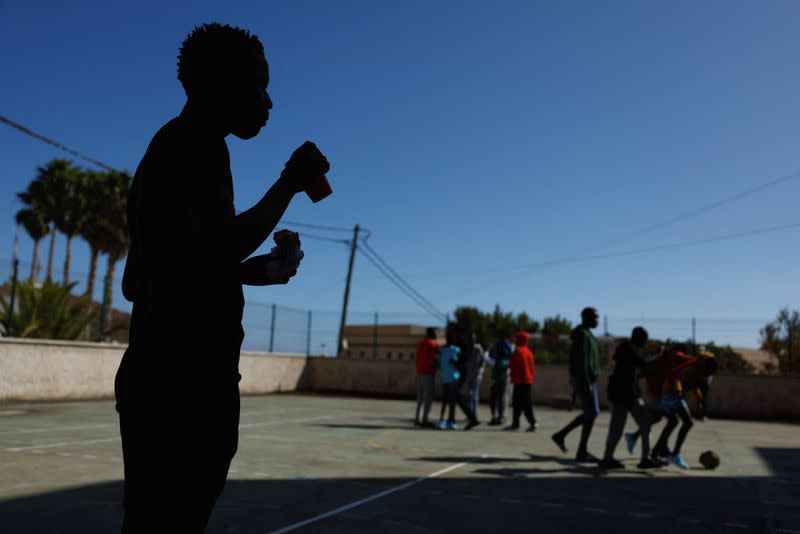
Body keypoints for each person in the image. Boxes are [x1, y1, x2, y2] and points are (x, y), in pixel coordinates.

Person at [115, 23, 330, 532]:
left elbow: (153, 275)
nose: (269, 101)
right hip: (183, 384)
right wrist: (290, 183)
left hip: (165, 376)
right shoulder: (194, 145)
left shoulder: (176, 146)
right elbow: (220, 244)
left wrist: (252, 273)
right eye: (259, 84)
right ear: (219, 80)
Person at [599, 327, 662, 470]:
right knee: (621, 428)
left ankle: (612, 458)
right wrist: (659, 356)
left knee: (641, 424)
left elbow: (636, 371)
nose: (645, 342)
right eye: (644, 339)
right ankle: (610, 459)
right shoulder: (628, 349)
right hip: (624, 396)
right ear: (637, 337)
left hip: (628, 395)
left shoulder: (627, 350)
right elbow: (643, 363)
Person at [650, 350, 718, 469]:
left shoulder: (700, 371)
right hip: (670, 394)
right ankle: (674, 454)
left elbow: (695, 385)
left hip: (672, 394)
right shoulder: (692, 367)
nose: (707, 374)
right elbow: (677, 378)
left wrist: (699, 401)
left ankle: (655, 453)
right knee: (687, 422)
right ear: (704, 364)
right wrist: (679, 391)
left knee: (673, 422)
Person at [551, 307, 601, 462]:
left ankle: (562, 436)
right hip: (585, 380)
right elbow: (581, 362)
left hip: (588, 380)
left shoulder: (586, 334)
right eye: (594, 318)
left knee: (591, 413)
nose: (597, 321)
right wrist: (586, 382)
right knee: (592, 413)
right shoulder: (582, 335)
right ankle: (581, 451)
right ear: (586, 318)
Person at [437, 333, 480, 431]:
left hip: (462, 377)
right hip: (461, 377)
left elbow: (463, 363)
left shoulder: (467, 349)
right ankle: (470, 418)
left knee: (458, 398)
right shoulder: (466, 349)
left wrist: (455, 362)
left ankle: (469, 418)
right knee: (457, 398)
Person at [506, 331, 537, 431]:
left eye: (517, 338)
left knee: (522, 404)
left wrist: (512, 376)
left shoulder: (518, 351)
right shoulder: (529, 351)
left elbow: (512, 365)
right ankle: (516, 423)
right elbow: (532, 367)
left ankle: (532, 423)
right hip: (527, 381)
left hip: (519, 381)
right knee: (520, 403)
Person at [414, 327, 439, 428]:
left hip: (419, 372)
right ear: (432, 333)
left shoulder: (420, 344)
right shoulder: (432, 345)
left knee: (420, 398)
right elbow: (433, 360)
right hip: (428, 373)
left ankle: (417, 419)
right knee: (428, 398)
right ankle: (424, 420)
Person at [487, 331, 512, 425]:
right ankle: (498, 417)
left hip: (500, 380)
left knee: (498, 399)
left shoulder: (501, 360)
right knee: (498, 400)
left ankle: (499, 417)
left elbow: (490, 358)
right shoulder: (501, 359)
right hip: (499, 380)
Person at [464, 333, 486, 418]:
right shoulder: (469, 348)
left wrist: (478, 373)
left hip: (476, 375)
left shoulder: (477, 348)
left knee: (474, 394)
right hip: (470, 375)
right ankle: (470, 413)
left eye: (471, 339)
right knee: (469, 394)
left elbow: (480, 362)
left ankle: (474, 413)